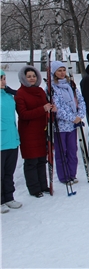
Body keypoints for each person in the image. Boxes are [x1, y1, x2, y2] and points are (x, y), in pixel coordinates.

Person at [15, 65, 54, 197]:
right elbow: (23, 114)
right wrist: (42, 109)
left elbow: (45, 107)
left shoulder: (40, 91)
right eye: (29, 76)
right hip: (29, 131)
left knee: (42, 159)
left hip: (41, 130)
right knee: (32, 161)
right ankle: (34, 188)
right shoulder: (20, 94)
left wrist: (50, 109)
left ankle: (43, 185)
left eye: (33, 76)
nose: (32, 79)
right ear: (23, 78)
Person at [50, 61, 86, 183]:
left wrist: (80, 115)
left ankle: (72, 174)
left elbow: (80, 100)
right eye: (59, 70)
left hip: (73, 125)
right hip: (60, 126)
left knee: (72, 150)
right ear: (54, 72)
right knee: (62, 152)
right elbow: (57, 107)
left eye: (63, 70)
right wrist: (71, 117)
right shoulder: (52, 88)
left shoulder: (71, 85)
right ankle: (64, 176)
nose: (62, 73)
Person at [1, 69, 22, 213]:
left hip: (11, 139)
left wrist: (12, 91)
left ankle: (8, 197)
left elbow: (21, 97)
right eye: (1, 79)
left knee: (9, 171)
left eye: (4, 78)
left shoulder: (8, 95)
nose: (4, 81)